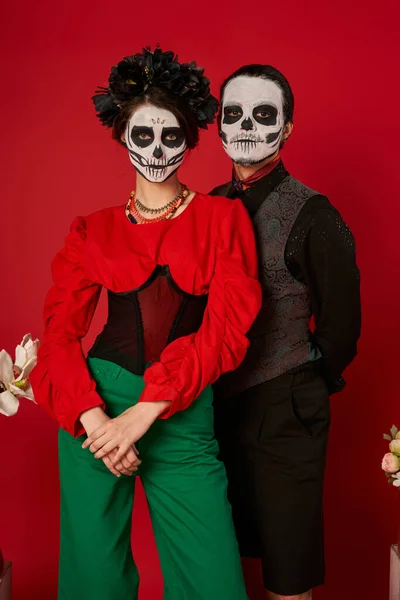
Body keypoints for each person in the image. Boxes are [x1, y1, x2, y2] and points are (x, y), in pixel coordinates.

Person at [30, 47, 262, 600]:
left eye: (170, 136)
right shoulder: (92, 230)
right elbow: (59, 334)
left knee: (214, 583)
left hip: (180, 413)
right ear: (123, 139)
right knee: (95, 580)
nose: (157, 149)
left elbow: (226, 330)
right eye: (143, 136)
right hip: (95, 413)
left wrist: (142, 415)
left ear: (188, 139)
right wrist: (96, 421)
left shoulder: (223, 218)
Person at [210, 64, 361, 600]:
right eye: (233, 113)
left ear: (288, 127)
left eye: (264, 113)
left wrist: (306, 382)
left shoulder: (316, 213)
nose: (246, 125)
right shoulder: (205, 208)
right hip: (210, 409)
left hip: (287, 407)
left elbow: (343, 326)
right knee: (215, 560)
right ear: (218, 123)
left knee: (287, 566)